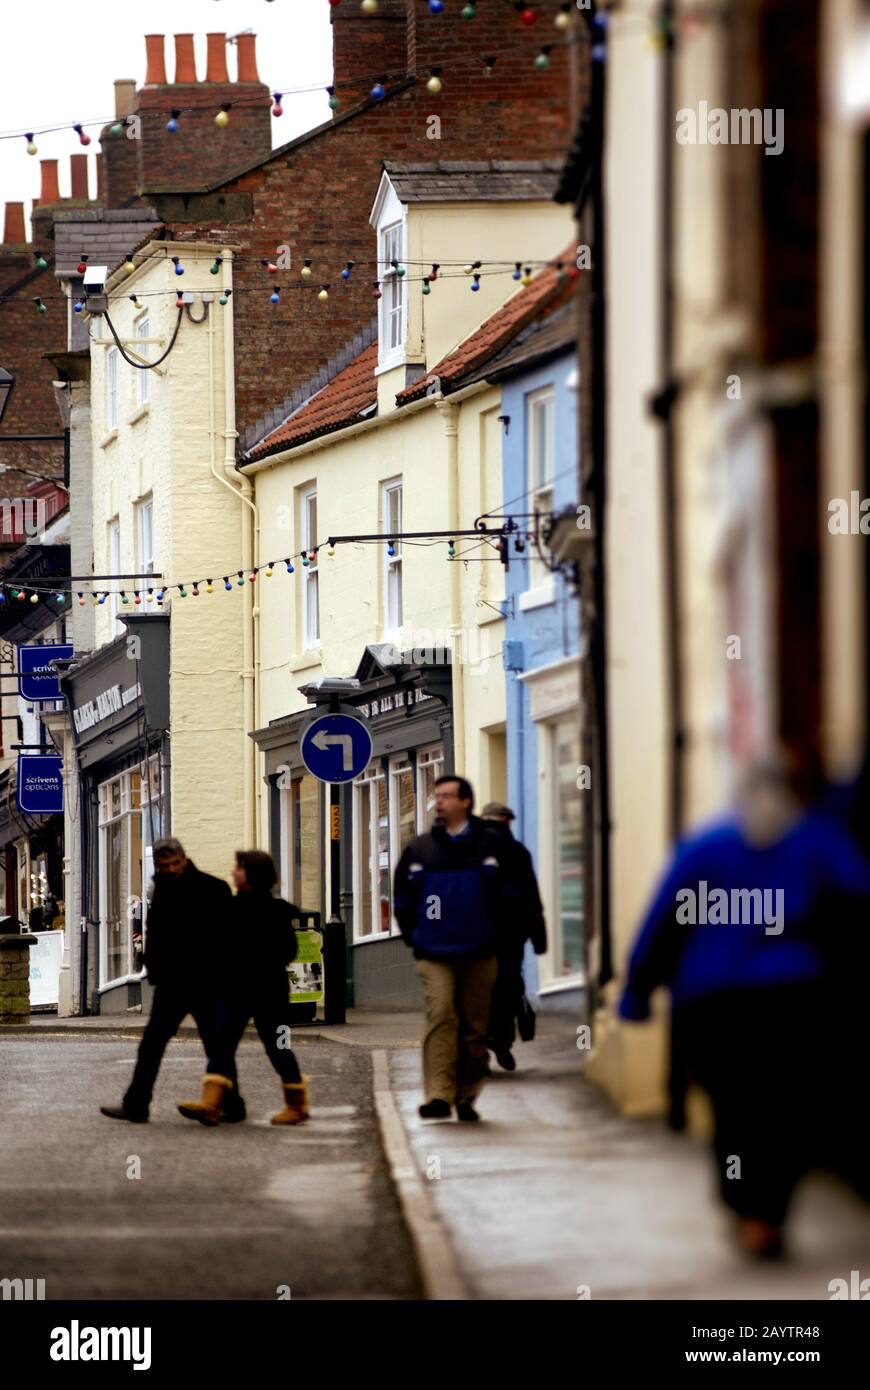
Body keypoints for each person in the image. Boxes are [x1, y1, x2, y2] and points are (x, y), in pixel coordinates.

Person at [618, 761, 870, 1258]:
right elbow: (857, 909)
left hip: (714, 1006)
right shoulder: (816, 843)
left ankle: (747, 1207)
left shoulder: (706, 848)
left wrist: (638, 992)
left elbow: (665, 923)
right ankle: (767, 1213)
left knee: (734, 1111)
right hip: (793, 1002)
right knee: (787, 1111)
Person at [394, 776, 512, 1122]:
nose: (440, 802)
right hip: (434, 950)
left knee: (476, 1028)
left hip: (480, 949)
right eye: (437, 796)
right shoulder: (421, 849)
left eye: (446, 796)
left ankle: (466, 1095)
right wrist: (414, 936)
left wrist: (500, 935)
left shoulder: (491, 847)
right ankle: (438, 1096)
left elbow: (511, 894)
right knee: (442, 1014)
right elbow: (403, 897)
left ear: (466, 801)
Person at [100, 838, 237, 1124]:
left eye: (175, 863)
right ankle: (137, 1105)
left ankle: (233, 1105)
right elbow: (157, 933)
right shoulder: (161, 889)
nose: (172, 869)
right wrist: (155, 969)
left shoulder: (214, 889)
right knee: (152, 1045)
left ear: (185, 859)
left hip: (206, 983)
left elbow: (226, 938)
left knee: (216, 1044)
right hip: (172, 985)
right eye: (165, 866)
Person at [177, 850, 309, 1127]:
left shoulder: (276, 911)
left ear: (253, 874)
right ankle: (211, 1105)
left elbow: (288, 951)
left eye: (239, 868)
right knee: (221, 1045)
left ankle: (297, 1106)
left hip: (269, 992)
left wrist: (252, 960)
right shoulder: (229, 908)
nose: (233, 872)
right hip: (234, 991)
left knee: (278, 1046)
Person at [480, 802, 547, 1072]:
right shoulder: (516, 851)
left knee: (477, 988)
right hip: (510, 935)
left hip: (474, 934)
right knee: (507, 986)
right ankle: (502, 1041)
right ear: (506, 820)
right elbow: (531, 895)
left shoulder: (467, 847)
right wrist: (539, 935)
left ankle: (479, 1046)